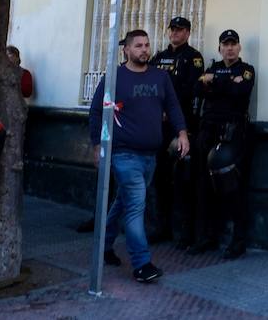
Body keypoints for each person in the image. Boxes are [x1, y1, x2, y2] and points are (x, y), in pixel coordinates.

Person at [88, 29, 189, 283]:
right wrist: (96, 145)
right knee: (135, 207)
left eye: (147, 45)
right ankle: (142, 264)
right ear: (127, 50)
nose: (144, 49)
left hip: (150, 155)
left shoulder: (160, 77)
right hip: (123, 154)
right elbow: (96, 113)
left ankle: (104, 246)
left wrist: (183, 133)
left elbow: (173, 106)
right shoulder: (114, 77)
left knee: (123, 201)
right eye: (138, 46)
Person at [191, 29, 254, 259]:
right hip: (207, 132)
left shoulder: (246, 70)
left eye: (233, 44)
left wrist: (215, 82)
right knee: (203, 186)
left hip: (233, 134)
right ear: (219, 48)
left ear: (239, 47)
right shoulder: (211, 67)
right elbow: (197, 89)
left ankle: (238, 241)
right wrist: (225, 82)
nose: (229, 48)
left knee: (233, 186)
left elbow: (241, 90)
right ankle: (205, 237)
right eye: (225, 44)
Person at [148, 16, 202, 247]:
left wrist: (170, 111)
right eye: (172, 29)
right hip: (157, 126)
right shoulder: (159, 57)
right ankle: (161, 227)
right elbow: (148, 84)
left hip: (180, 125)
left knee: (182, 179)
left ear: (188, 33)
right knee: (159, 178)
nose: (175, 33)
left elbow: (191, 89)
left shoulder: (193, 58)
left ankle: (182, 232)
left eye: (180, 30)